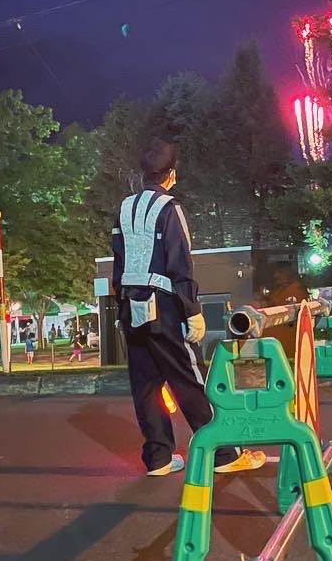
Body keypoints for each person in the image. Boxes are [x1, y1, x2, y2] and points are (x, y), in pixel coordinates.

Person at [113, 140, 265, 477]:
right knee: (189, 378)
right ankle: (224, 453)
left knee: (146, 384)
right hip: (165, 307)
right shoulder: (169, 208)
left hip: (130, 306)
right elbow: (180, 262)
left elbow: (118, 261)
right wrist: (191, 309)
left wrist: (122, 304)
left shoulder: (123, 209)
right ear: (171, 174)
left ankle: (158, 458)